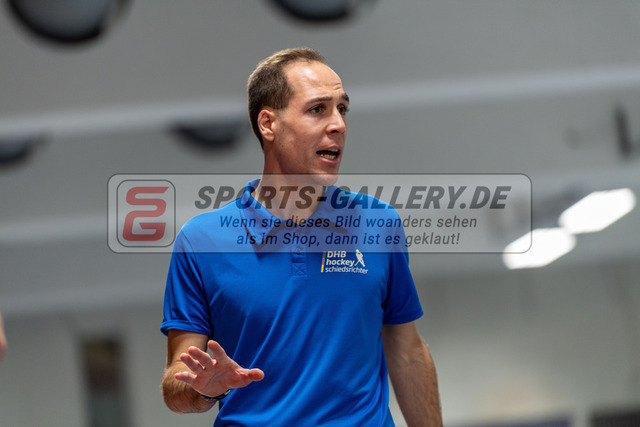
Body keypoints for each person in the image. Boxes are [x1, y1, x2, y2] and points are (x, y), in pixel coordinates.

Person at [161, 47, 442, 426]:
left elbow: (406, 350)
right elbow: (176, 385)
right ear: (268, 124)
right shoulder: (200, 241)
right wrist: (205, 387)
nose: (338, 124)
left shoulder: (378, 223)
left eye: (342, 108)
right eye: (318, 109)